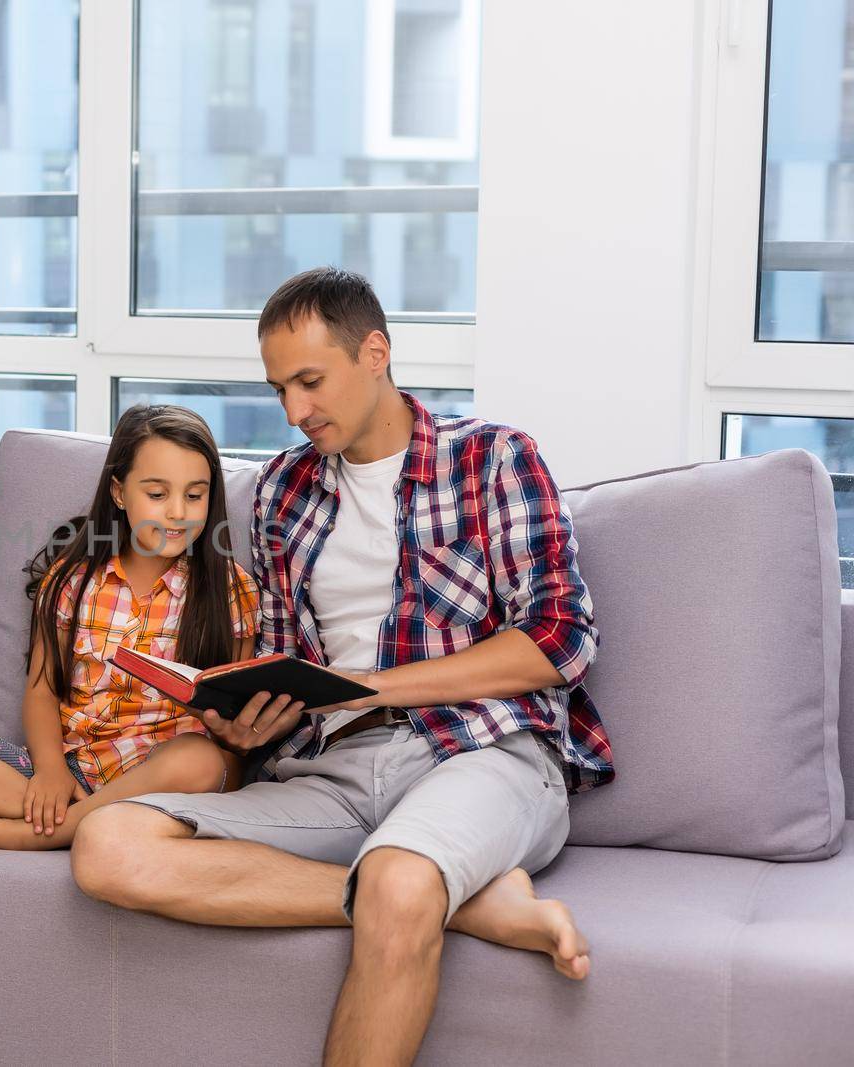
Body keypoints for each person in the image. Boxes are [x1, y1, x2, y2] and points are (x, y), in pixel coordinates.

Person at [69, 267, 615, 1067]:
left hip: (484, 750)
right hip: (334, 764)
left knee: (400, 879)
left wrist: (376, 687)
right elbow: (294, 659)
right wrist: (249, 714)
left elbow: (561, 639)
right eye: (279, 388)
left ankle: (417, 890)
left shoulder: (495, 459)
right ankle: (453, 902)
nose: (295, 411)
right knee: (109, 843)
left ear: (375, 352)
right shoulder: (282, 492)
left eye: (310, 381)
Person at [0, 404, 262, 850]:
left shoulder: (230, 591)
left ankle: (32, 833)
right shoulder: (74, 579)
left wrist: (230, 750)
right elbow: (42, 689)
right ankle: (69, 817)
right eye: (157, 495)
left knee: (200, 761)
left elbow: (232, 726)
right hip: (68, 773)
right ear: (120, 493)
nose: (178, 512)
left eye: (195, 495)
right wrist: (48, 771)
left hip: (158, 780)